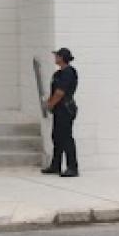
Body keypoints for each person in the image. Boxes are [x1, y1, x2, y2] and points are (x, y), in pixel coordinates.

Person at [42, 46, 79, 177]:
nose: (55, 58)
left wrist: (50, 104)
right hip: (58, 109)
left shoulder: (69, 72)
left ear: (62, 58)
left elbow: (60, 92)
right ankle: (55, 165)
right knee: (56, 137)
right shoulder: (58, 74)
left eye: (57, 56)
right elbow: (54, 92)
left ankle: (72, 167)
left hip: (66, 109)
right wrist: (49, 102)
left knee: (66, 138)